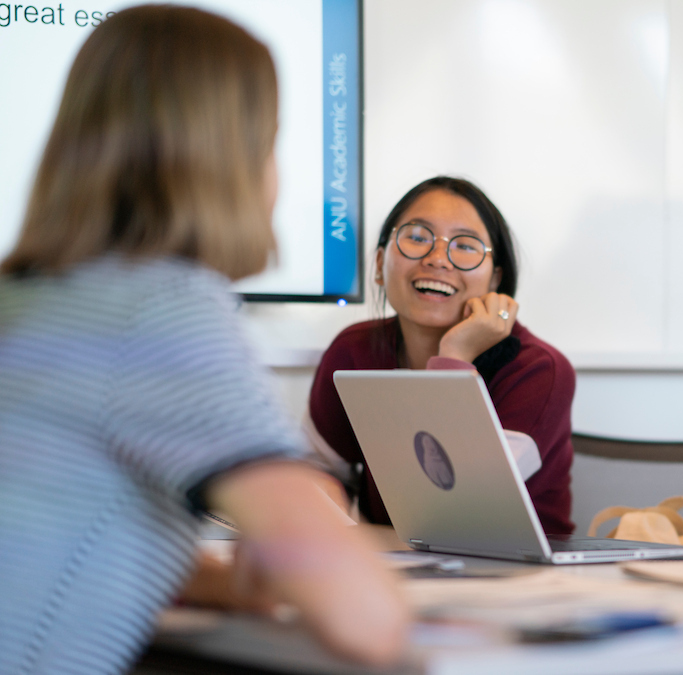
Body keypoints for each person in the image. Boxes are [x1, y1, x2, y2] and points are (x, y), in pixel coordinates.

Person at [0, 7, 407, 673]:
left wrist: (236, 569)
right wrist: (310, 531)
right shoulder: (159, 309)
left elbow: (53, 540)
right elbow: (368, 619)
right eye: (271, 140)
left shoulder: (24, 300)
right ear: (233, 158)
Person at [309, 176, 576, 535]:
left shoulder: (540, 370)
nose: (437, 259)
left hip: (515, 576)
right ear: (377, 264)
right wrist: (333, 529)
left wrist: (455, 355)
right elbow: (317, 470)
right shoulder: (353, 350)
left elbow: (450, 507)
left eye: (465, 246)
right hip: (391, 563)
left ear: (495, 279)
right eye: (418, 238)